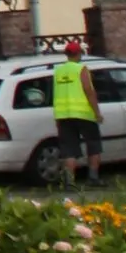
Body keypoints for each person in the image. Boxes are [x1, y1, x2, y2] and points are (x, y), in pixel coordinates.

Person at [51, 37, 103, 189]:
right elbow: (88, 90)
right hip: (84, 113)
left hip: (64, 115)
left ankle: (69, 182)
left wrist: (57, 116)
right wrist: (97, 112)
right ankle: (93, 178)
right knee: (93, 145)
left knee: (69, 150)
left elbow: (56, 93)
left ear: (66, 54)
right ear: (79, 53)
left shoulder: (58, 71)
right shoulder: (81, 69)